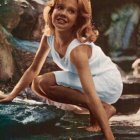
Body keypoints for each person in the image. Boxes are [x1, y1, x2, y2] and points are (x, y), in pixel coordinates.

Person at [0, 0, 123, 139]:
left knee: (47, 84)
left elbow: (91, 93)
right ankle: (103, 108)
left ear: (78, 19)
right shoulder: (49, 37)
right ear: (51, 11)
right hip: (90, 79)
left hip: (108, 81)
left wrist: (109, 136)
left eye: (71, 11)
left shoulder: (77, 50)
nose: (63, 13)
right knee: (39, 83)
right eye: (60, 7)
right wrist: (11, 95)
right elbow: (33, 70)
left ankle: (103, 109)